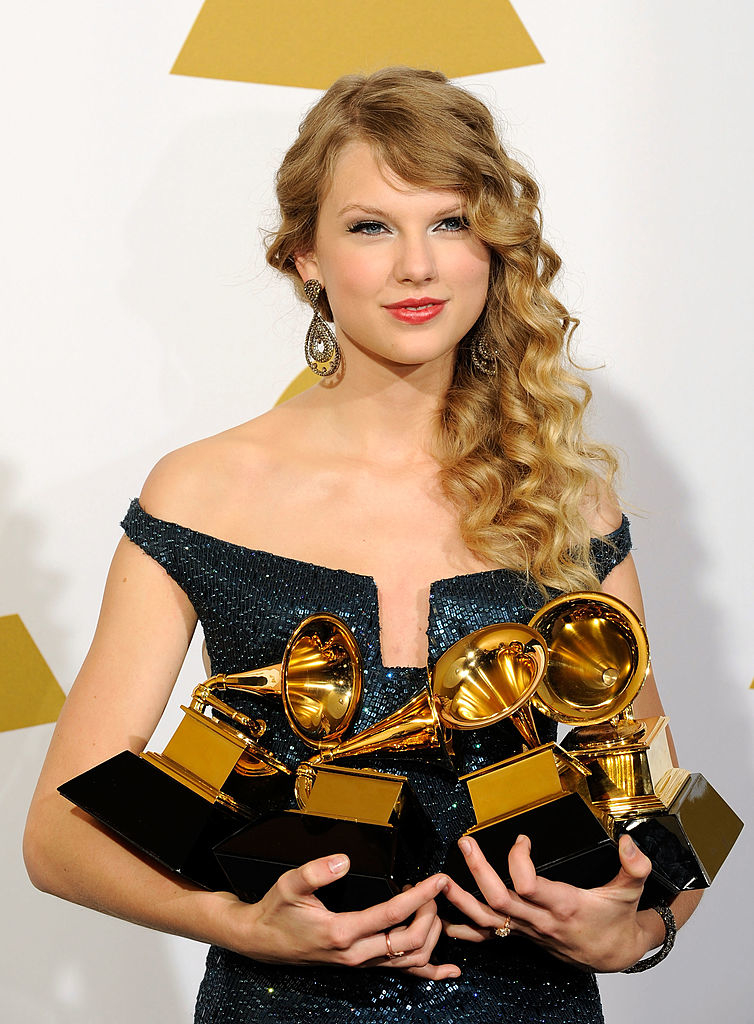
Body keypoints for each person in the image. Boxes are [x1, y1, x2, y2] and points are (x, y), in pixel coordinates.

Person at [24, 66, 701, 1023]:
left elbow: (666, 809)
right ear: (305, 256)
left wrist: (633, 936)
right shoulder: (204, 491)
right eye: (371, 226)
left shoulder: (568, 497)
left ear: (495, 250)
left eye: (452, 222)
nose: (417, 266)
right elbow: (58, 835)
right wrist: (243, 923)